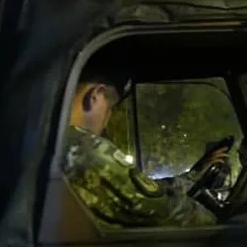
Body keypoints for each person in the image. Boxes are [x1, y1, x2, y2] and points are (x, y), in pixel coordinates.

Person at [62, 66, 223, 228]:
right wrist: (219, 221)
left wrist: (194, 176)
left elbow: (143, 189)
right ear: (95, 96)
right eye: (110, 108)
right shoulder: (88, 151)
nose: (106, 121)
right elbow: (165, 211)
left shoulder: (60, 145)